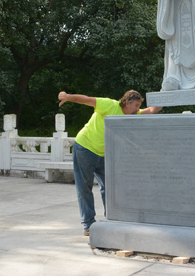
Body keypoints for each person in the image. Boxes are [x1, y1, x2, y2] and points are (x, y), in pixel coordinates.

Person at [58, 90, 161, 236]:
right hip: (85, 149)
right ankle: (88, 225)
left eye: (139, 106)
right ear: (127, 103)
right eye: (136, 105)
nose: (138, 109)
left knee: (111, 187)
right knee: (85, 188)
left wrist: (167, 94)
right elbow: (87, 99)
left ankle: (112, 218)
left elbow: (151, 110)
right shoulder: (109, 105)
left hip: (104, 154)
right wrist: (68, 97)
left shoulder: (131, 114)